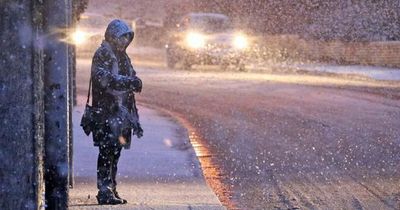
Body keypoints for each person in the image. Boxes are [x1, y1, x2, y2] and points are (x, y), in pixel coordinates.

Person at [91, 19, 143, 205]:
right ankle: (104, 190)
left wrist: (134, 81)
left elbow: (129, 75)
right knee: (107, 150)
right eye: (121, 38)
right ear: (113, 37)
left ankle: (111, 187)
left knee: (115, 150)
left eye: (126, 38)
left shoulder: (123, 56)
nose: (124, 42)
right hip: (107, 111)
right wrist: (129, 82)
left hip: (121, 112)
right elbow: (103, 79)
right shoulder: (103, 54)